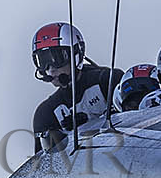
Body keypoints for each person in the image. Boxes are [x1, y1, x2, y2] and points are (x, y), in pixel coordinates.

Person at [31, 22, 123, 153]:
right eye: (43, 62)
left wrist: (91, 121)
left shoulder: (108, 81)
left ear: (76, 54)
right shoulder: (46, 114)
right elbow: (45, 166)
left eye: (57, 58)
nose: (51, 70)